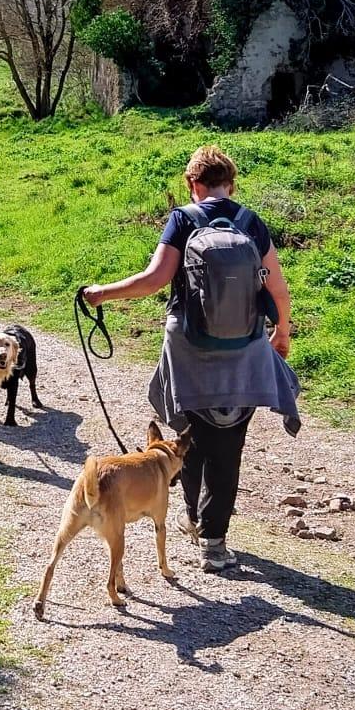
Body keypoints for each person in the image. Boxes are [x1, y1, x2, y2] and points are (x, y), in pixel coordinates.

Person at [78, 144, 299, 574]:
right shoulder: (251, 223)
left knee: (188, 430)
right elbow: (277, 287)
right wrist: (282, 332)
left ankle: (193, 518)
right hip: (244, 348)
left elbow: (154, 280)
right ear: (230, 184)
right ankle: (214, 544)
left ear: (193, 184)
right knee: (229, 444)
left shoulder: (183, 219)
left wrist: (101, 293)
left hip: (189, 349)